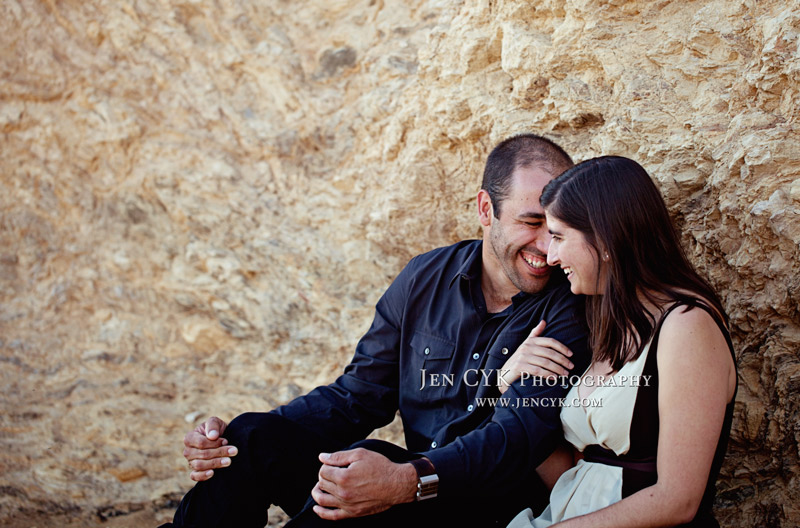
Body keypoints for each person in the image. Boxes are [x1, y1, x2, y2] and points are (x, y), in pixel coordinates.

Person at [161, 134, 591, 528]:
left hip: (482, 506)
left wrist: (406, 479)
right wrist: (228, 441)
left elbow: (514, 440)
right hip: (405, 486)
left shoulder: (567, 307)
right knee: (251, 438)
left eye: (555, 230)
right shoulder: (424, 278)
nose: (546, 250)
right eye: (531, 223)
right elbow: (357, 396)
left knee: (372, 462)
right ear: (485, 210)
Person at [501, 156, 737, 527]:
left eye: (559, 237)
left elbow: (679, 499)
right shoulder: (608, 324)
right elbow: (577, 477)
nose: (551, 255)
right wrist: (510, 387)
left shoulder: (687, 327)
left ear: (606, 239)